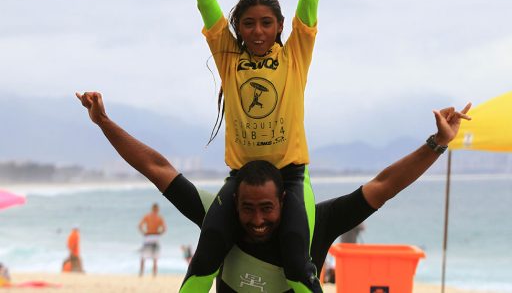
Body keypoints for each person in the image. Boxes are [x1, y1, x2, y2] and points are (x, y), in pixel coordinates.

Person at [76, 91, 471, 291]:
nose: (257, 220)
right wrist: (103, 122)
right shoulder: (220, 216)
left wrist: (435, 144)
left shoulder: (316, 223)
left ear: (284, 200)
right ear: (235, 202)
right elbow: (156, 168)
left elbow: (383, 187)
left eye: (266, 208)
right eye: (248, 208)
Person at [184, 0, 321, 292]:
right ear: (238, 29)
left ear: (280, 26)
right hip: (242, 179)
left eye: (266, 22)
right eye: (249, 23)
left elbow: (309, 0)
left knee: (297, 264)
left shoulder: (294, 55)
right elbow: (207, 5)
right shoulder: (229, 58)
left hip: (290, 177)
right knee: (205, 257)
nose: (258, 31)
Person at [138, 203, 166, 277]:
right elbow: (164, 229)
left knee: (143, 256)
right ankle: (154, 274)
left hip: (148, 236)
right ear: (157, 209)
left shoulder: (147, 216)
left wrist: (144, 233)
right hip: (156, 236)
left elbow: (140, 226)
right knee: (155, 257)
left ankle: (141, 273)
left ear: (152, 209)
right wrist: (159, 233)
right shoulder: (159, 218)